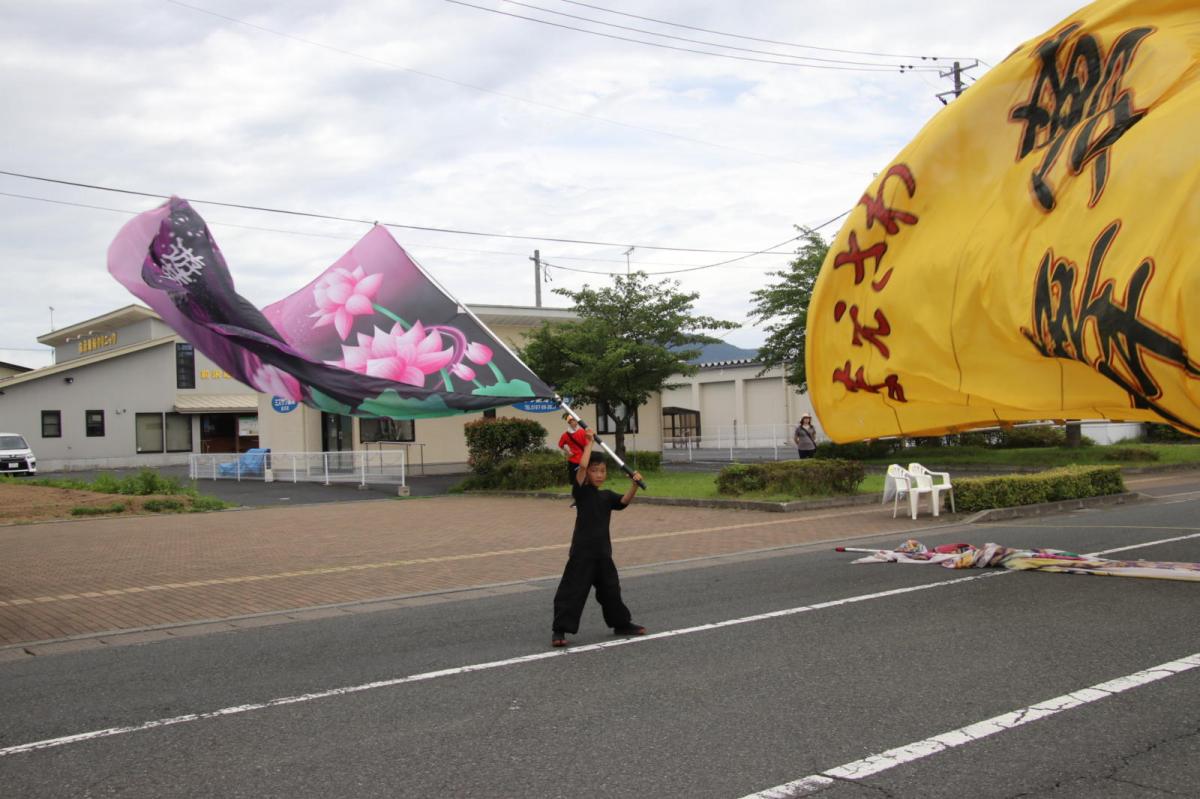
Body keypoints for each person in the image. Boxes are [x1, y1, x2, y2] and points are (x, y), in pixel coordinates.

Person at [551, 428, 646, 648]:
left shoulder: (606, 496)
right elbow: (582, 467)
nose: (600, 474)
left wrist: (634, 485)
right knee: (572, 591)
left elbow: (623, 502)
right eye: (595, 471)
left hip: (603, 553)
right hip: (582, 554)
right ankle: (559, 630)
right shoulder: (581, 492)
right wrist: (588, 443)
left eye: (603, 470)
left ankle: (621, 623)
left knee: (611, 590)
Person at [557, 414, 589, 485]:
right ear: (569, 422)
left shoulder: (582, 432)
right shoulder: (566, 435)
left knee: (583, 479)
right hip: (573, 459)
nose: (574, 422)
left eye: (575, 420)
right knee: (575, 480)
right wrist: (568, 451)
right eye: (572, 421)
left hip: (582, 460)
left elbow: (587, 445)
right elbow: (560, 444)